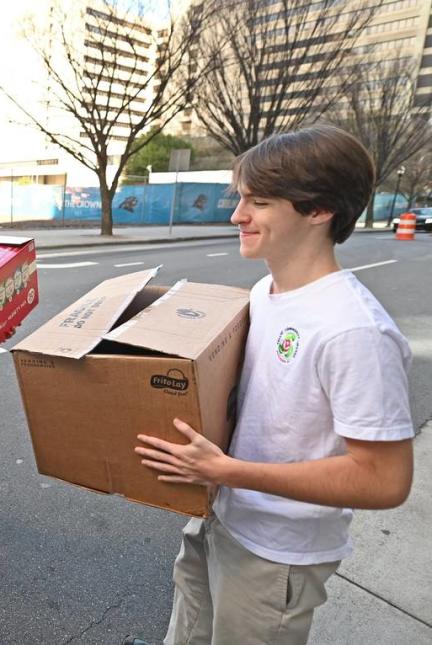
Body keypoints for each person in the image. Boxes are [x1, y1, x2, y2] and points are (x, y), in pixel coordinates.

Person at [134, 125, 415, 645]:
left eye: (259, 202)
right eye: (241, 198)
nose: (237, 216)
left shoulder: (354, 330)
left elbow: (383, 479)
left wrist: (227, 469)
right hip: (219, 515)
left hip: (276, 552)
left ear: (318, 209)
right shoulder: (267, 290)